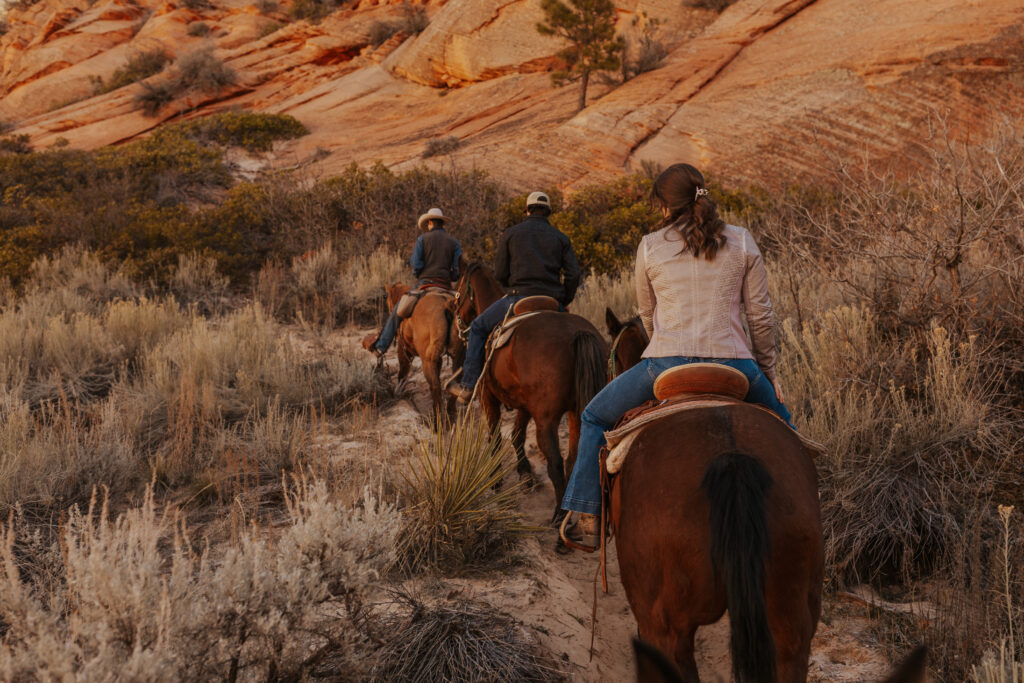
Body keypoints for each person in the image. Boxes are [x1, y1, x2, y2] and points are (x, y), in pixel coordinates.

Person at [560, 163, 792, 544]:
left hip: (665, 363)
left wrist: (663, 346)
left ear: (663, 205)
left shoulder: (650, 245)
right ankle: (812, 503)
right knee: (788, 433)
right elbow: (761, 317)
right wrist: (767, 372)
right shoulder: (744, 241)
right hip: (736, 363)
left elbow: (648, 314)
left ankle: (587, 512)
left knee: (594, 416)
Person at [446, 191, 582, 402]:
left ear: (527, 210)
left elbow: (500, 274)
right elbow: (574, 274)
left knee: (480, 327)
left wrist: (512, 286)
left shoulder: (511, 234)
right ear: (548, 213)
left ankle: (468, 385)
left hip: (519, 298)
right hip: (552, 301)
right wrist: (563, 299)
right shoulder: (561, 238)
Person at [362, 207, 461, 356]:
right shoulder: (454, 243)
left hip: (425, 284)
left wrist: (421, 273)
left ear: (429, 223)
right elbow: (457, 271)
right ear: (442, 224)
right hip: (446, 287)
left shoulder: (422, 239)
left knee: (398, 310)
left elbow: (416, 266)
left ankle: (381, 346)